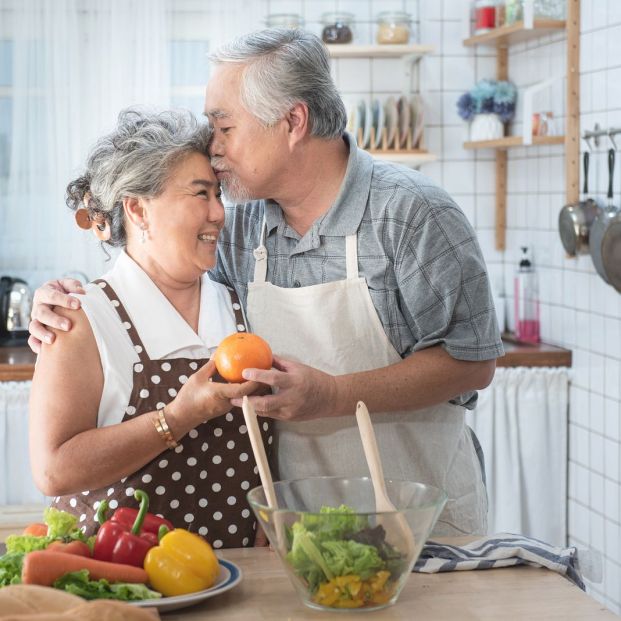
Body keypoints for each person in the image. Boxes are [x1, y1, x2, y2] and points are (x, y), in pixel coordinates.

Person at [29, 29, 504, 537]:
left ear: (293, 121)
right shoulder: (240, 230)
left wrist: (333, 396)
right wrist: (61, 298)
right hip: (299, 533)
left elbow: (473, 362)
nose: (213, 147)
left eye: (224, 126)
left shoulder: (411, 215)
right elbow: (153, 260)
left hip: (419, 519)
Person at [28, 108, 271, 548]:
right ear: (138, 209)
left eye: (219, 195)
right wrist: (178, 417)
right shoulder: (81, 318)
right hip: (121, 590)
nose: (219, 213)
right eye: (201, 194)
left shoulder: (240, 304)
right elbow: (53, 470)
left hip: (240, 583)